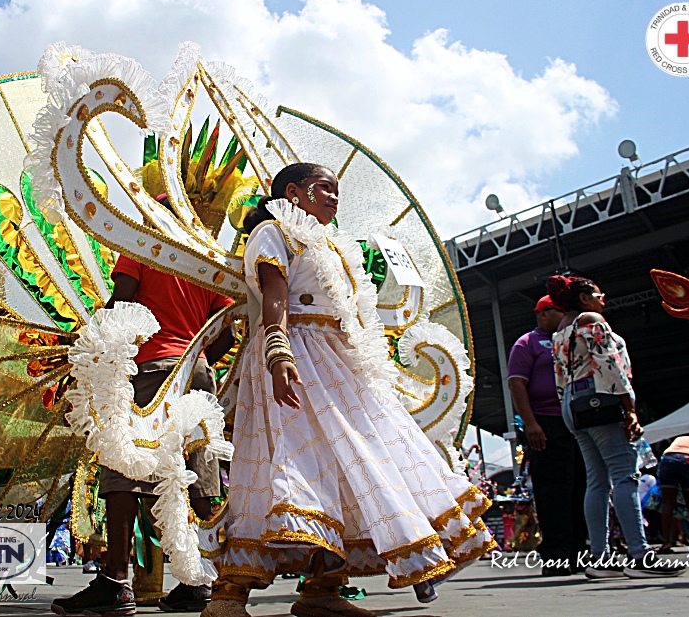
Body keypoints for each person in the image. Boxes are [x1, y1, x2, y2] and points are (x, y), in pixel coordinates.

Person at [204, 163, 496, 617]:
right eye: (324, 188)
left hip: (341, 363)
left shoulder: (335, 246)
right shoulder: (272, 230)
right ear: (293, 192)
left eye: (336, 191)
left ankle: (323, 589)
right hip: (296, 352)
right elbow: (274, 294)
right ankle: (229, 595)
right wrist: (278, 351)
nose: (333, 198)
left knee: (346, 468)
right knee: (286, 462)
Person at [52, 195, 235, 617]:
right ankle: (202, 580)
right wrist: (200, 359)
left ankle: (115, 580)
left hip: (148, 368)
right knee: (199, 475)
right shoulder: (203, 256)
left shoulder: (141, 246)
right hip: (196, 374)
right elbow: (226, 325)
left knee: (125, 466)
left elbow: (122, 306)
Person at [547, 275, 685, 580]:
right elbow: (610, 364)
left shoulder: (560, 329)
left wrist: (568, 406)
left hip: (572, 404)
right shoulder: (592, 319)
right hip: (600, 400)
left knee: (597, 481)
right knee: (625, 476)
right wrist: (630, 407)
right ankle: (639, 555)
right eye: (598, 293)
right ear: (584, 298)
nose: (603, 299)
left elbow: (559, 376)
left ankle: (601, 558)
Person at [507, 295, 587, 576]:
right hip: (546, 423)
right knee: (554, 490)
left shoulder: (572, 340)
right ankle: (556, 553)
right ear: (543, 314)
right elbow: (517, 383)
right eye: (560, 311)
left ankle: (581, 551)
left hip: (576, 422)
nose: (567, 316)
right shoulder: (527, 343)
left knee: (581, 486)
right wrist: (530, 424)